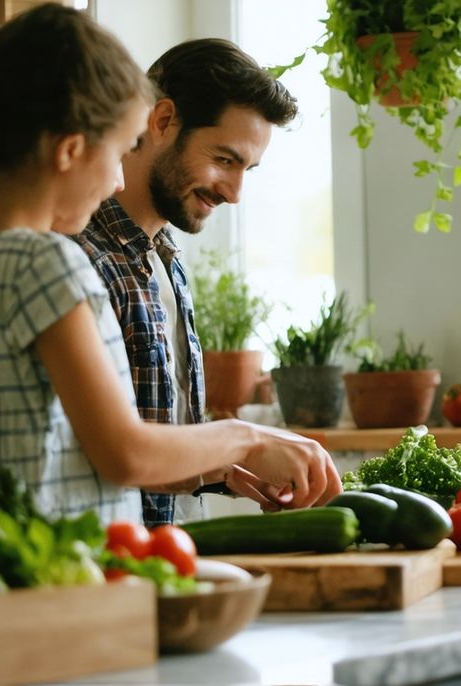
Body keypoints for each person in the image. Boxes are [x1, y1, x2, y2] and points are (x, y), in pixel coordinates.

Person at [0, 4, 340, 524]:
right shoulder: (47, 261)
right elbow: (126, 454)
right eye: (119, 151)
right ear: (69, 150)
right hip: (54, 591)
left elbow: (70, 450)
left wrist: (224, 465)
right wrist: (247, 436)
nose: (118, 181)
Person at [72, 39, 298, 526]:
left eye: (247, 170)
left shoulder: (165, 259)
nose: (235, 192)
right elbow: (97, 452)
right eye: (225, 159)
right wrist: (244, 439)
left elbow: (156, 434)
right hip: (97, 572)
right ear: (162, 120)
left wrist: (225, 470)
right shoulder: (78, 257)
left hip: (160, 561)